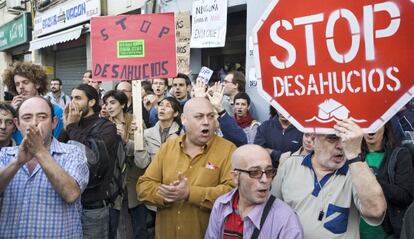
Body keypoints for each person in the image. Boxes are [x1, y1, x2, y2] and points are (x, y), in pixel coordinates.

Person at [137, 97, 236, 239]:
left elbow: (232, 194)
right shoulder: (168, 147)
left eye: (211, 116)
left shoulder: (228, 150)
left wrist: (190, 193)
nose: (206, 122)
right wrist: (165, 195)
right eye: (199, 117)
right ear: (184, 119)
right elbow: (143, 186)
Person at [271, 119, 387, 239]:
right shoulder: (290, 165)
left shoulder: (356, 173)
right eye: (332, 138)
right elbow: (271, 211)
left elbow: (376, 210)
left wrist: (354, 155)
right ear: (313, 140)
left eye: (345, 139)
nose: (341, 145)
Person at [0, 96, 89, 238]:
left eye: (42, 117)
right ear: (17, 124)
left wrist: (39, 151)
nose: (34, 123)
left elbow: (71, 194)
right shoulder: (5, 155)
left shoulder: (72, 152)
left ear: (54, 122)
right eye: (27, 118)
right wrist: (17, 163)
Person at [204, 144, 304, 239]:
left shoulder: (286, 220)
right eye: (255, 172)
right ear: (235, 177)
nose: (265, 180)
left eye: (269, 171)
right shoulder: (221, 205)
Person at [58, 84, 118, 239]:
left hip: (92, 207)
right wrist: (66, 127)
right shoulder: (71, 125)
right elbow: (58, 153)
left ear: (91, 102)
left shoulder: (107, 127)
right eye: (71, 98)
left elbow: (92, 153)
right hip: (67, 204)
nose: (72, 103)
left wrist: (71, 126)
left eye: (78, 98)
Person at [103, 90, 149, 239]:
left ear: (122, 104)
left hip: (134, 179)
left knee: (140, 227)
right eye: (106, 103)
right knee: (113, 226)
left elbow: (141, 151)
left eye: (113, 103)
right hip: (114, 184)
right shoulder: (104, 124)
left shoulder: (136, 121)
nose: (109, 107)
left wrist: (125, 141)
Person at [359, 122, 414, 239]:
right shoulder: (352, 157)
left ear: (385, 126)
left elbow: (406, 196)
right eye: (367, 125)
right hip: (356, 233)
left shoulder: (400, 155)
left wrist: (373, 180)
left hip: (388, 234)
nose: (371, 129)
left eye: (376, 124)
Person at [2, 61, 64, 144]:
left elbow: (58, 144)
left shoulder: (56, 110)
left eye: (25, 82)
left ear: (37, 84)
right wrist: (11, 114)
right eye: (17, 84)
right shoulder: (14, 110)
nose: (21, 87)